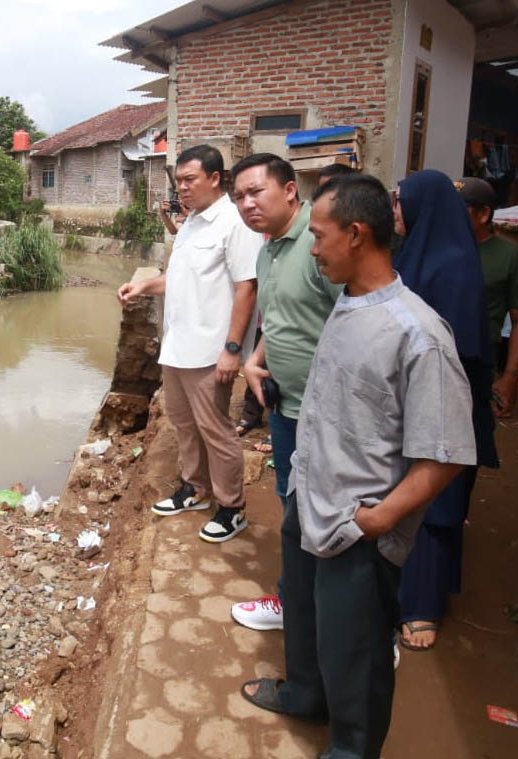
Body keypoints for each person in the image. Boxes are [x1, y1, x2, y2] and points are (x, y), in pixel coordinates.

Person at [240, 174, 476, 759]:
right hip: (310, 493)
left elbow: (445, 456)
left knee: (357, 646)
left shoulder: (419, 335)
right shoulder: (347, 302)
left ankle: (351, 748)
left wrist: (380, 520)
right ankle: (305, 694)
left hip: (357, 523)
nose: (312, 248)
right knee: (304, 610)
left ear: (356, 233)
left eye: (319, 236)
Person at [119, 144, 261, 542]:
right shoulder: (193, 223)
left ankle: (231, 506)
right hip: (177, 347)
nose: (181, 188)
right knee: (183, 423)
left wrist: (233, 350)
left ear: (215, 179)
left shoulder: (234, 224)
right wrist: (144, 285)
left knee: (216, 429)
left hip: (210, 352)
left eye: (189, 180)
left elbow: (247, 288)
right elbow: (176, 279)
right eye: (178, 181)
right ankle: (195, 488)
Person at [227, 153, 344, 631]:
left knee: (332, 513)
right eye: (240, 197)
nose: (247, 204)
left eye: (256, 192)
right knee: (291, 503)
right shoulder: (268, 248)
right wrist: (254, 363)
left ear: (290, 190)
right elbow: (279, 320)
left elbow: (355, 319)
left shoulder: (321, 244)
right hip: (285, 405)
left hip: (330, 414)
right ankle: (294, 600)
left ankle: (347, 619)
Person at [390, 170, 500, 652]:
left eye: (400, 203)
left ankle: (422, 607)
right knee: (409, 492)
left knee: (436, 502)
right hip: (411, 399)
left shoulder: (452, 266)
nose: (395, 212)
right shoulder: (416, 255)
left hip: (444, 404)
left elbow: (462, 352)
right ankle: (402, 591)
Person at [458, 177, 518, 416]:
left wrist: (510, 377)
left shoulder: (511, 257)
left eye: (459, 209)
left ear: (484, 214)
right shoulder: (438, 249)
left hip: (479, 359)